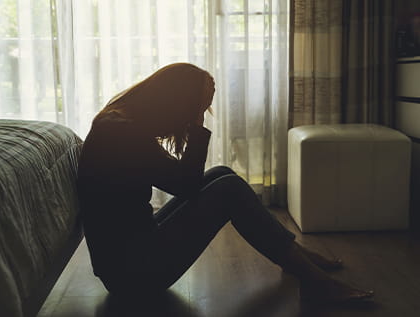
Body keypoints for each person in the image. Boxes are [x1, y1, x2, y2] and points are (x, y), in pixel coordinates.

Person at [76, 63, 374, 306]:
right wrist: (196, 124)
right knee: (227, 190)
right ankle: (315, 281)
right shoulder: (122, 133)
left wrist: (194, 112)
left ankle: (292, 255)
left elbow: (181, 182)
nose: (198, 114)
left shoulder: (118, 123)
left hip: (128, 259)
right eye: (197, 107)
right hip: (134, 275)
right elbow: (187, 185)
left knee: (221, 174)